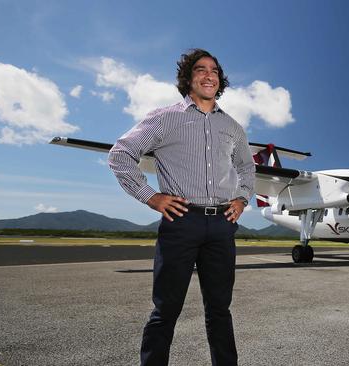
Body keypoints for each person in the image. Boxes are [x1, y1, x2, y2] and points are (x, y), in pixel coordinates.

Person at [108, 48, 255, 366]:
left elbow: (247, 167)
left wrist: (242, 199)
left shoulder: (232, 127)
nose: (209, 75)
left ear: (220, 80)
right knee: (166, 310)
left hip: (221, 225)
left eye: (214, 71)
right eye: (201, 70)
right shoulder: (165, 118)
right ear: (188, 79)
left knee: (219, 310)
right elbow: (120, 154)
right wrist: (151, 196)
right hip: (181, 221)